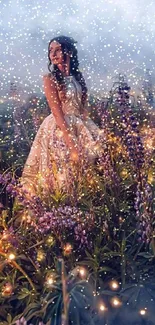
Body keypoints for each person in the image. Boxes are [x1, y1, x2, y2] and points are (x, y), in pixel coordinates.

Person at [21, 35, 101, 195]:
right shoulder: (50, 78)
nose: (53, 54)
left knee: (89, 165)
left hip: (79, 124)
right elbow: (57, 113)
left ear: (69, 52)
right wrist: (71, 144)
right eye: (51, 50)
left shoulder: (78, 78)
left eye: (58, 50)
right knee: (61, 171)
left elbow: (83, 109)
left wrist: (93, 132)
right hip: (59, 127)